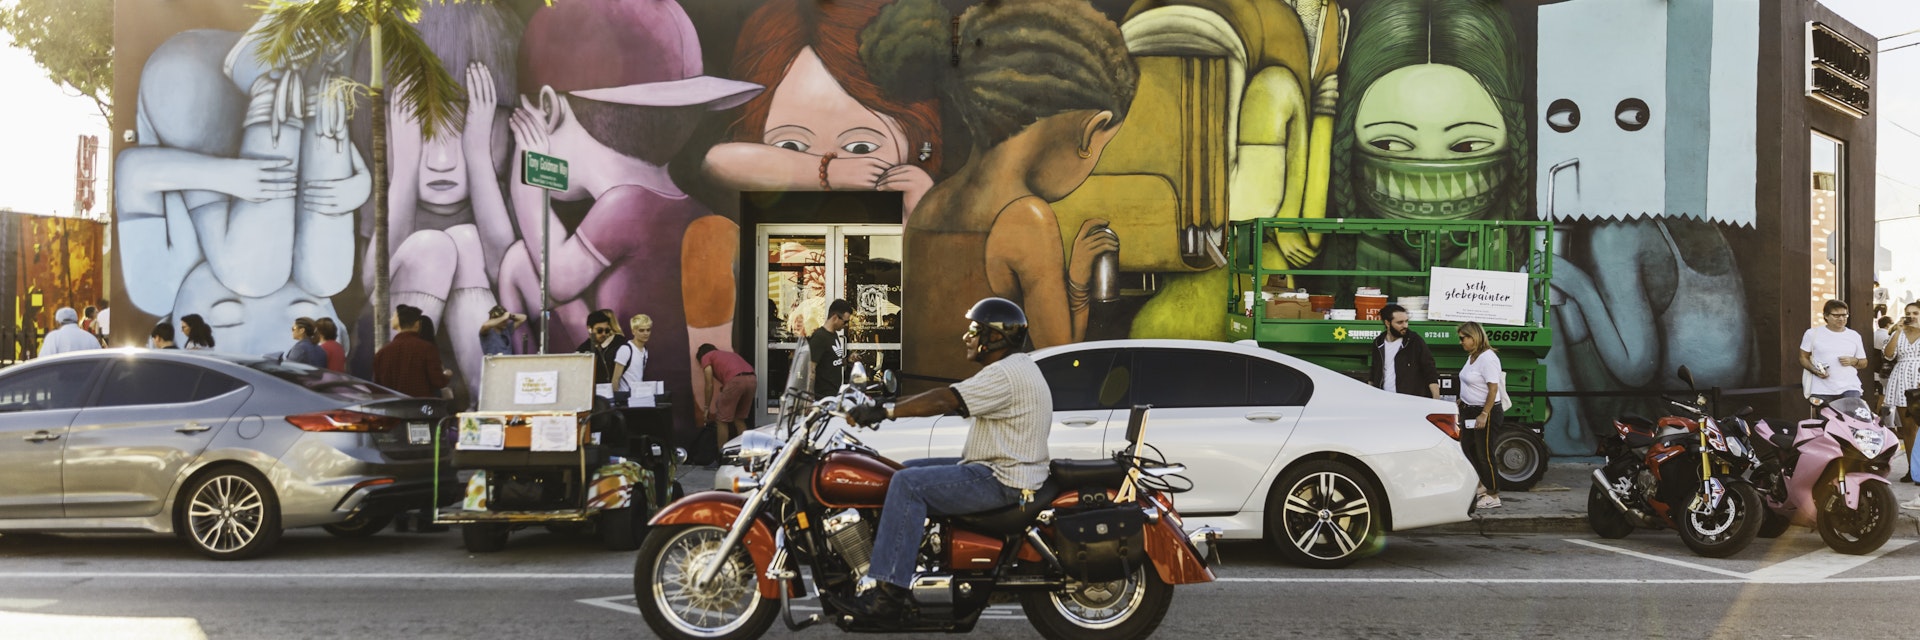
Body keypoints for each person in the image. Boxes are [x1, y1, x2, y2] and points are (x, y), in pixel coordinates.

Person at [843, 297, 1051, 616]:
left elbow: (946, 400)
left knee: (908, 484)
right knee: (901, 471)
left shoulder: (1005, 374)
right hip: (1000, 469)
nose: (967, 337)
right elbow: (947, 396)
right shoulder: (1015, 367)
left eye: (974, 330)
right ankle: (915, 553)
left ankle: (888, 593)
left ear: (996, 337)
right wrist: (885, 404)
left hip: (1002, 479)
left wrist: (885, 410)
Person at [1456, 321, 1505, 510]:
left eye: (1463, 338)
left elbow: (1493, 389)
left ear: (1473, 337)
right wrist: (1462, 400)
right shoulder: (1472, 357)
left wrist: (1484, 414)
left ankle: (1493, 494)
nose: (1461, 342)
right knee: (1467, 449)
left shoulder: (1488, 358)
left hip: (1485, 411)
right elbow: (1471, 383)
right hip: (1469, 410)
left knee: (1484, 453)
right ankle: (1481, 484)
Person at [1801, 299, 1868, 409]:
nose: (1841, 318)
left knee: (1853, 422)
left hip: (1850, 387)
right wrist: (1815, 371)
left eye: (1844, 315)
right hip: (1822, 388)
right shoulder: (1812, 333)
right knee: (1827, 423)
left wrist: (1854, 361)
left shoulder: (1854, 335)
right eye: (1836, 316)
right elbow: (1803, 357)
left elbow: (1864, 362)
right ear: (1826, 316)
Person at [374, 305, 451, 399]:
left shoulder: (382, 353)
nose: (390, 319)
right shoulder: (427, 349)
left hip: (391, 408)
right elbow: (438, 381)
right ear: (417, 324)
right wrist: (447, 375)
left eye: (393, 316)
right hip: (420, 408)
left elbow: (377, 388)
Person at [1368, 304, 1440, 399]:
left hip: (1409, 401)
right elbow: (1374, 372)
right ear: (1387, 323)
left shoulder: (1414, 341)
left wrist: (1436, 398)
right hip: (1384, 399)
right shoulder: (1378, 342)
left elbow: (1430, 370)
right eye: (1400, 322)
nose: (1405, 325)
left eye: (1406, 321)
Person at [1882, 303, 1920, 474]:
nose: (1912, 316)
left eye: (1916, 313)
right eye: (1908, 313)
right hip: (1903, 379)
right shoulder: (1899, 333)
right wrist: (1897, 331)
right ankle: (1913, 470)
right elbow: (1889, 355)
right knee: (1908, 428)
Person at [698, 343, 757, 453]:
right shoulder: (728, 355)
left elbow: (709, 384)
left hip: (735, 381)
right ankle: (745, 453)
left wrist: (706, 408)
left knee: (722, 421)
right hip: (752, 379)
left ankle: (722, 455)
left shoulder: (706, 356)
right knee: (739, 419)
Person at [576, 310, 629, 398]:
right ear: (589, 329)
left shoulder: (612, 346)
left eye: (607, 330)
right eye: (599, 330)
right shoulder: (582, 350)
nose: (604, 334)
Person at [809, 299, 854, 398]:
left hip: (834, 395)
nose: (846, 325)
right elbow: (810, 369)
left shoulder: (834, 335)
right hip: (822, 396)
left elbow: (833, 360)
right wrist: (810, 397)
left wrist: (847, 360)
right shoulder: (819, 337)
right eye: (845, 321)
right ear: (835, 318)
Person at [611, 314, 653, 408]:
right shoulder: (626, 349)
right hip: (625, 400)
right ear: (633, 331)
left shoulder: (645, 350)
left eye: (648, 330)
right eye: (641, 330)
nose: (646, 333)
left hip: (638, 398)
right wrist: (617, 401)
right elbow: (615, 378)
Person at [40, 307, 104, 357]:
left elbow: (43, 361)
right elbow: (100, 361)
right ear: (77, 321)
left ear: (57, 323)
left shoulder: (53, 337)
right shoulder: (91, 338)